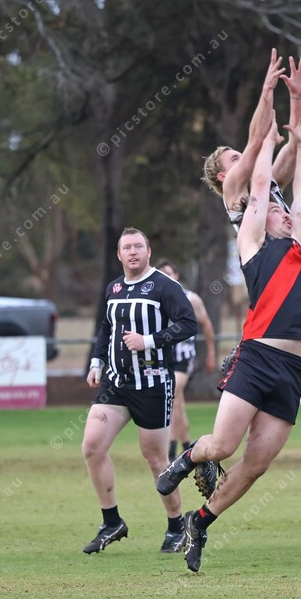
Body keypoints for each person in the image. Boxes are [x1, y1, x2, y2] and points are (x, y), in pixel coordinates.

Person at [157, 107, 301, 572]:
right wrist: (267, 134)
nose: (283, 212)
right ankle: (187, 459)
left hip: (292, 368)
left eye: (284, 211)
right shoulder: (252, 240)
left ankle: (200, 522)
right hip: (258, 355)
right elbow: (260, 179)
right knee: (223, 447)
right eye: (274, 210)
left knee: (257, 464)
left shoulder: (298, 241)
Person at [201, 48, 301, 353]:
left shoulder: (269, 183)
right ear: (223, 176)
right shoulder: (234, 191)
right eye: (235, 158)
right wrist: (267, 89)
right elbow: (256, 140)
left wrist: (296, 97)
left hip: (297, 270)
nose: (243, 158)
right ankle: (256, 350)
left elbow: (295, 143)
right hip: (270, 276)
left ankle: (271, 349)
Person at [82, 228, 197, 554]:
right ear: (119, 254)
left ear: (148, 252)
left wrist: (149, 341)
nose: (132, 252)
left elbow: (188, 323)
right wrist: (96, 362)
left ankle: (176, 527)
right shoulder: (114, 288)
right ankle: (112, 522)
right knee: (92, 447)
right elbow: (106, 328)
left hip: (152, 385)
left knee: (156, 459)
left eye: (138, 246)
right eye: (127, 247)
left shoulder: (165, 286)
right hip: (116, 385)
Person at [155, 259, 217, 462]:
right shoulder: (156, 299)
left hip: (184, 358)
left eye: (168, 273)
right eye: (161, 273)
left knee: (172, 394)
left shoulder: (190, 298)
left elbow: (206, 324)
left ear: (176, 275)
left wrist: (211, 353)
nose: (165, 277)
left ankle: (172, 449)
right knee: (178, 403)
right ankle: (187, 445)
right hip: (165, 358)